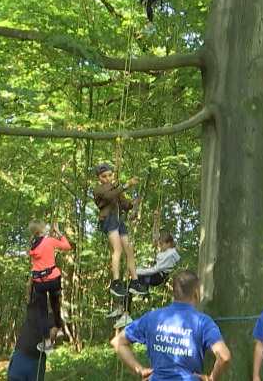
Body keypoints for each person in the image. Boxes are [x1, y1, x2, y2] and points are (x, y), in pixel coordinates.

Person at [111, 270, 231, 380]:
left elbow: (118, 342)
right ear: (196, 293)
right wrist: (211, 378)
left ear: (174, 292)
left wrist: (141, 370)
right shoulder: (203, 322)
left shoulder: (153, 317)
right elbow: (224, 357)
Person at [94, 162, 140, 297]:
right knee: (118, 249)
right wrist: (126, 185)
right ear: (99, 177)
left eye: (109, 175)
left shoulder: (116, 189)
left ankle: (135, 281)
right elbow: (109, 196)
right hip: (108, 219)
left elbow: (124, 205)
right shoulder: (99, 189)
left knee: (129, 249)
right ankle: (115, 282)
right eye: (104, 176)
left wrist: (131, 203)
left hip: (119, 221)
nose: (107, 178)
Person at [28, 219, 71, 354]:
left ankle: (47, 342)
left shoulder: (31, 247)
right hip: (53, 279)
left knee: (43, 312)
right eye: (44, 227)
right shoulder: (50, 241)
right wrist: (58, 233)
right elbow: (66, 246)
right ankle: (58, 328)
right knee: (55, 304)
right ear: (41, 230)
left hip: (39, 282)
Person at [7, 279, 58, 381]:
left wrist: (50, 334)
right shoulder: (32, 305)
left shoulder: (53, 316)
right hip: (21, 355)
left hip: (37, 361)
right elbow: (29, 287)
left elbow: (54, 331)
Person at [130, 211, 181, 296]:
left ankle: (141, 287)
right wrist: (156, 220)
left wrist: (138, 271)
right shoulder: (165, 249)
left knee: (137, 276)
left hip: (157, 277)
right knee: (132, 282)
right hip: (156, 273)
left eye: (161, 244)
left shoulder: (170, 254)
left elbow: (156, 269)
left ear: (168, 244)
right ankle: (126, 303)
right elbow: (155, 235)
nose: (159, 246)